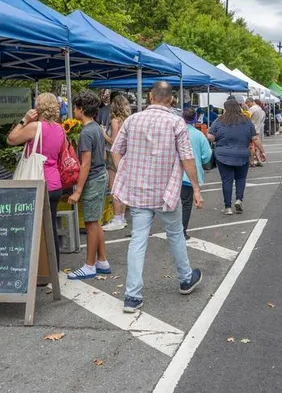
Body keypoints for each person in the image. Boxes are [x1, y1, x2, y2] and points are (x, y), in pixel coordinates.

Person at [111, 81, 204, 313]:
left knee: (138, 240)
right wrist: (196, 188)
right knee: (175, 234)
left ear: (150, 97)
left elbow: (116, 150)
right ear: (171, 99)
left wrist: (124, 171)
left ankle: (132, 296)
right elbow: (187, 158)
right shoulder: (176, 122)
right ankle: (185, 279)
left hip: (139, 191)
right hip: (166, 191)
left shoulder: (132, 120)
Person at [7, 93, 66, 268]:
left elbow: (11, 139)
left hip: (36, 182)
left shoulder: (34, 127)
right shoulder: (60, 129)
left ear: (38, 108)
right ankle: (53, 267)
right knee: (50, 228)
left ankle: (32, 268)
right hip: (54, 184)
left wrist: (24, 120)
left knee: (29, 227)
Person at [67, 90, 110, 280]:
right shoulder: (97, 128)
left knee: (91, 223)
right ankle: (102, 260)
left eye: (75, 107)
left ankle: (89, 265)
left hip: (92, 178)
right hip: (100, 175)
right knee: (96, 220)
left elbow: (85, 163)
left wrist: (78, 190)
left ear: (81, 109)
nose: (73, 110)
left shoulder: (86, 132)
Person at [208, 98, 266, 215]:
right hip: (242, 154)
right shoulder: (246, 120)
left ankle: (228, 207)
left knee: (226, 180)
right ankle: (239, 199)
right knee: (241, 178)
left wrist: (217, 139)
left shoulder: (219, 120)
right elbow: (255, 138)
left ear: (225, 108)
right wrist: (262, 151)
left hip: (223, 155)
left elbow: (210, 136)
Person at [102, 94, 132, 232]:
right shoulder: (128, 120)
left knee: (114, 187)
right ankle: (122, 216)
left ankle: (117, 217)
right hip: (126, 155)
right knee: (123, 186)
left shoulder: (115, 121)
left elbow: (114, 142)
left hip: (114, 156)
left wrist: (103, 133)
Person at [181, 108, 212, 239]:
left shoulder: (175, 132)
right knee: (186, 203)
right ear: (195, 119)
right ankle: (182, 231)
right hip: (191, 175)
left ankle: (173, 229)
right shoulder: (199, 135)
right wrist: (201, 161)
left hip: (174, 173)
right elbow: (207, 154)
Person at [245, 98, 265, 167]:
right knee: (256, 146)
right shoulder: (259, 108)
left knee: (251, 147)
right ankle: (259, 160)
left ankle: (252, 161)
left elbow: (246, 118)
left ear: (250, 102)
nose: (247, 105)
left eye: (247, 103)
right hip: (257, 129)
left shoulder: (252, 109)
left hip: (251, 129)